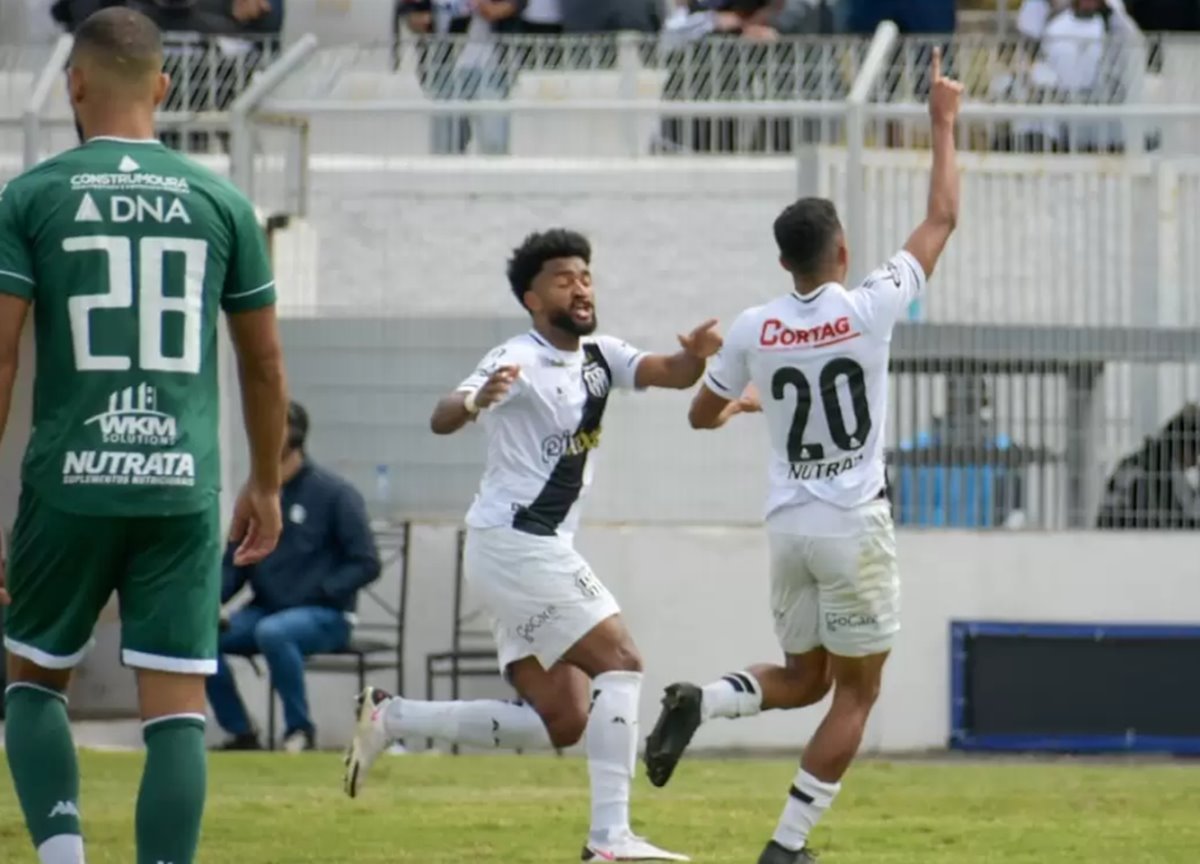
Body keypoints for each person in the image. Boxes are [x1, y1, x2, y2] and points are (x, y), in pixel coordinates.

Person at [642, 50, 963, 864]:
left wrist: (736, 399)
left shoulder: (753, 327)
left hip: (788, 526)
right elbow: (940, 222)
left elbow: (698, 414)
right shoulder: (870, 306)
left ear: (783, 262)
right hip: (855, 524)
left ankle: (704, 700)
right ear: (843, 252)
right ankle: (786, 848)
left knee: (806, 678)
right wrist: (943, 121)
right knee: (856, 692)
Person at [0, 8, 288, 864]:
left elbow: (2, 362)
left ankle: (61, 855)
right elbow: (264, 365)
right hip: (179, 482)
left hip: (68, 480)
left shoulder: (31, 197)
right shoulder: (223, 202)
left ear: (74, 84)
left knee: (33, 682)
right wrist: (265, 484)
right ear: (163, 87)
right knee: (175, 709)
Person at [343, 229, 724, 862]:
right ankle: (610, 842)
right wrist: (475, 399)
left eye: (585, 276)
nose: (579, 287)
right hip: (519, 546)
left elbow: (671, 373)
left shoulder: (602, 355)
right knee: (622, 662)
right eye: (562, 278)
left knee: (568, 721)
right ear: (531, 297)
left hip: (518, 552)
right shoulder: (514, 358)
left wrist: (698, 356)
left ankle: (393, 718)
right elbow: (442, 414)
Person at [207, 401, 382, 753]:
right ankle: (242, 732)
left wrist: (321, 591)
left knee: (275, 631)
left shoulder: (334, 494)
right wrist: (209, 605)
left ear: (296, 435)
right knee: (200, 640)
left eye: (274, 426)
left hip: (326, 615)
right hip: (264, 612)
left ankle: (299, 732)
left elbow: (366, 562)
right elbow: (235, 565)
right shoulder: (256, 496)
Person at [1096, 403, 1200, 530]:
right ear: (1185, 447)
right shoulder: (1160, 471)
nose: (1195, 463)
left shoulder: (1144, 462)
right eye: (1197, 452)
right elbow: (1190, 517)